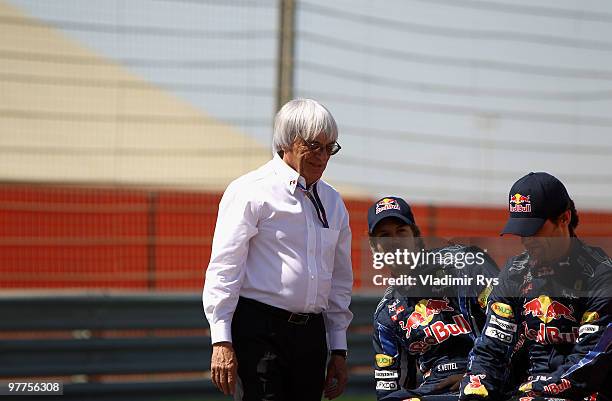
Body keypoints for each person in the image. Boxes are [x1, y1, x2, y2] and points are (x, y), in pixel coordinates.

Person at [203, 99, 353, 401]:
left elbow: (339, 278)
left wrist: (338, 347)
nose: (322, 156)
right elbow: (225, 267)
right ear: (287, 141)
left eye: (329, 148)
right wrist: (221, 340)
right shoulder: (250, 191)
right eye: (314, 146)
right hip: (259, 332)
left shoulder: (333, 202)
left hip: (311, 337)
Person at [459, 172, 612, 401]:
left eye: (534, 229)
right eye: (521, 230)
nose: (526, 239)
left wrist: (539, 390)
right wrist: (476, 385)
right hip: (524, 392)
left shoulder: (600, 275)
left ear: (564, 218)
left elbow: (591, 360)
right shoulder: (514, 273)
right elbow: (491, 348)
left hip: (584, 393)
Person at [368, 196, 501, 401]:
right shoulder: (387, 313)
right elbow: (389, 388)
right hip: (433, 390)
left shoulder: (464, 265)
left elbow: (508, 325)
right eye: (384, 236)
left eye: (401, 232)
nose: (394, 242)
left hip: (485, 381)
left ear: (416, 236)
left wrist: (476, 376)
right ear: (375, 248)